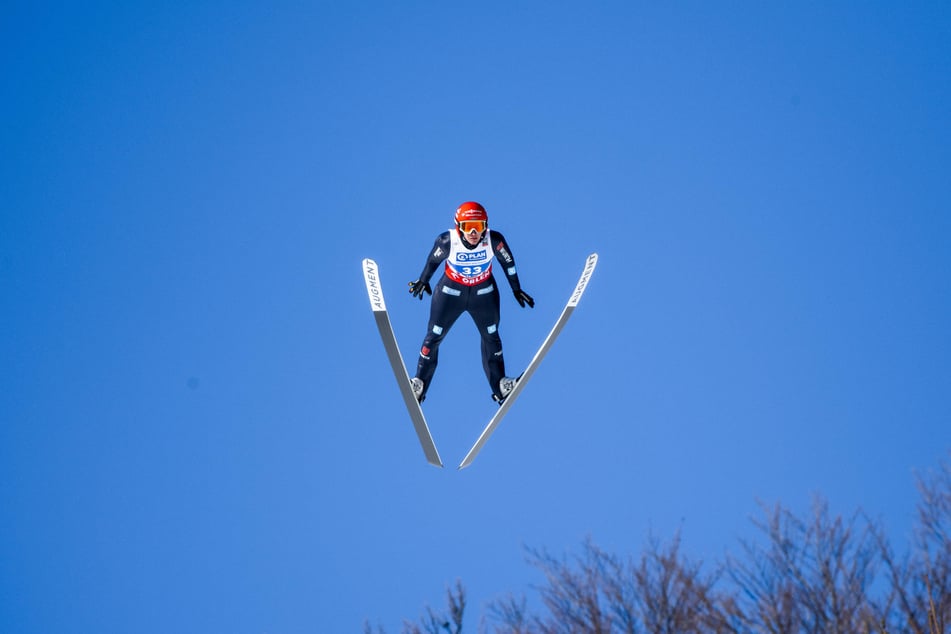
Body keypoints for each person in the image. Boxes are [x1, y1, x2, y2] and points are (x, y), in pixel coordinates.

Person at [407, 201, 534, 404]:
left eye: (479, 226)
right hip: (450, 293)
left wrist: (516, 289)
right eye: (468, 227)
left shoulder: (493, 240)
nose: (474, 232)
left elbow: (508, 263)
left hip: (483, 293)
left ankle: (501, 385)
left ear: (486, 226)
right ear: (459, 227)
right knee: (434, 336)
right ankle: (419, 384)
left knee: (492, 336)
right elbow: (432, 261)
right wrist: (423, 280)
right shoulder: (447, 241)